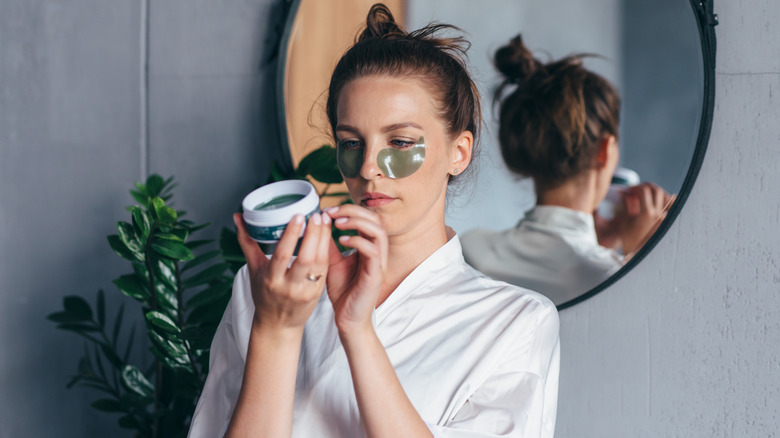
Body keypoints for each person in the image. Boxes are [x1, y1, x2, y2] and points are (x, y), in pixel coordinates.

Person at [188, 5, 559, 438]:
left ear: (458, 153)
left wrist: (357, 331)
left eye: (399, 141)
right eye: (351, 142)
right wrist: (276, 331)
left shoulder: (515, 323)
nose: (367, 167)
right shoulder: (267, 289)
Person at [461, 35, 674, 305]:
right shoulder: (611, 276)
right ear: (605, 150)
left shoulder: (471, 248)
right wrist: (639, 257)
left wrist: (602, 246)